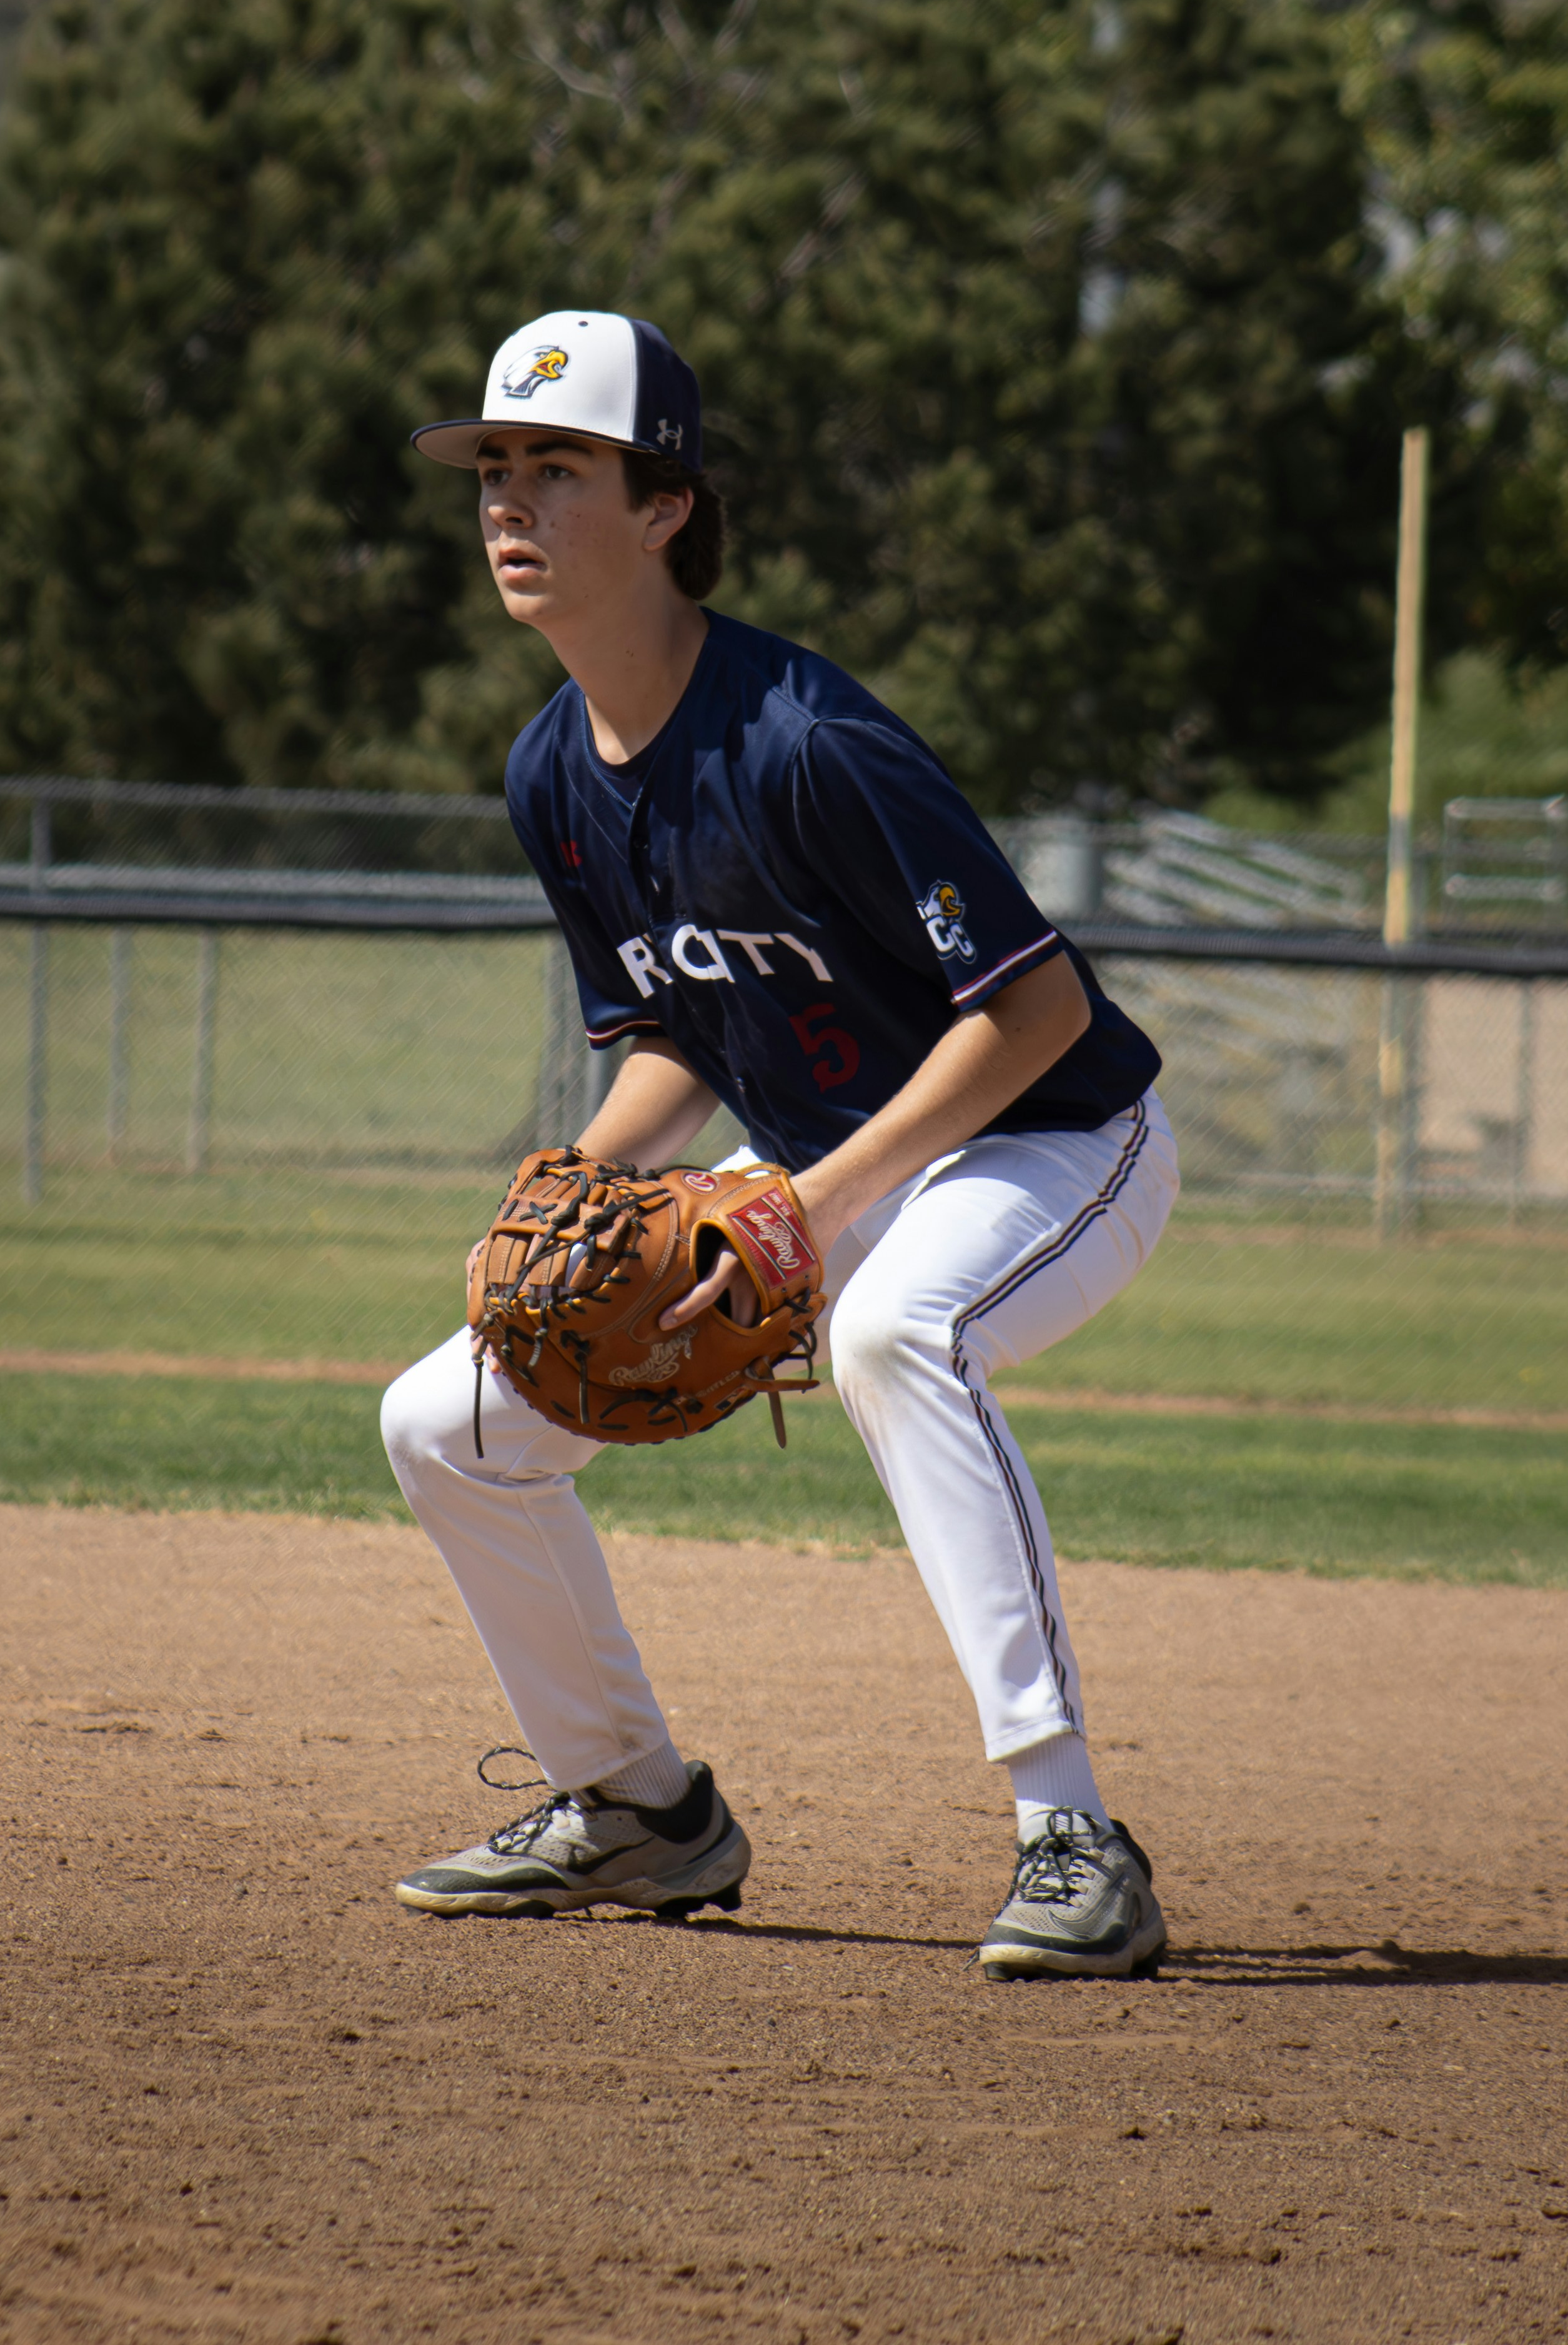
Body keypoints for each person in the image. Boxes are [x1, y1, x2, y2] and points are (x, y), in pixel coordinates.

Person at [381, 309, 1179, 1979]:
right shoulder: (552, 772)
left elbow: (1034, 1014)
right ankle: (637, 1808)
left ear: (666, 503)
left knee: (902, 1333)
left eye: (560, 467)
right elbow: (674, 1035)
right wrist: (575, 1186)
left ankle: (1072, 1835)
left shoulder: (805, 742)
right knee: (443, 1419)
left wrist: (803, 1209)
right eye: (495, 471)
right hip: (839, 1172)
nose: (511, 504)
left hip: (1055, 1140)